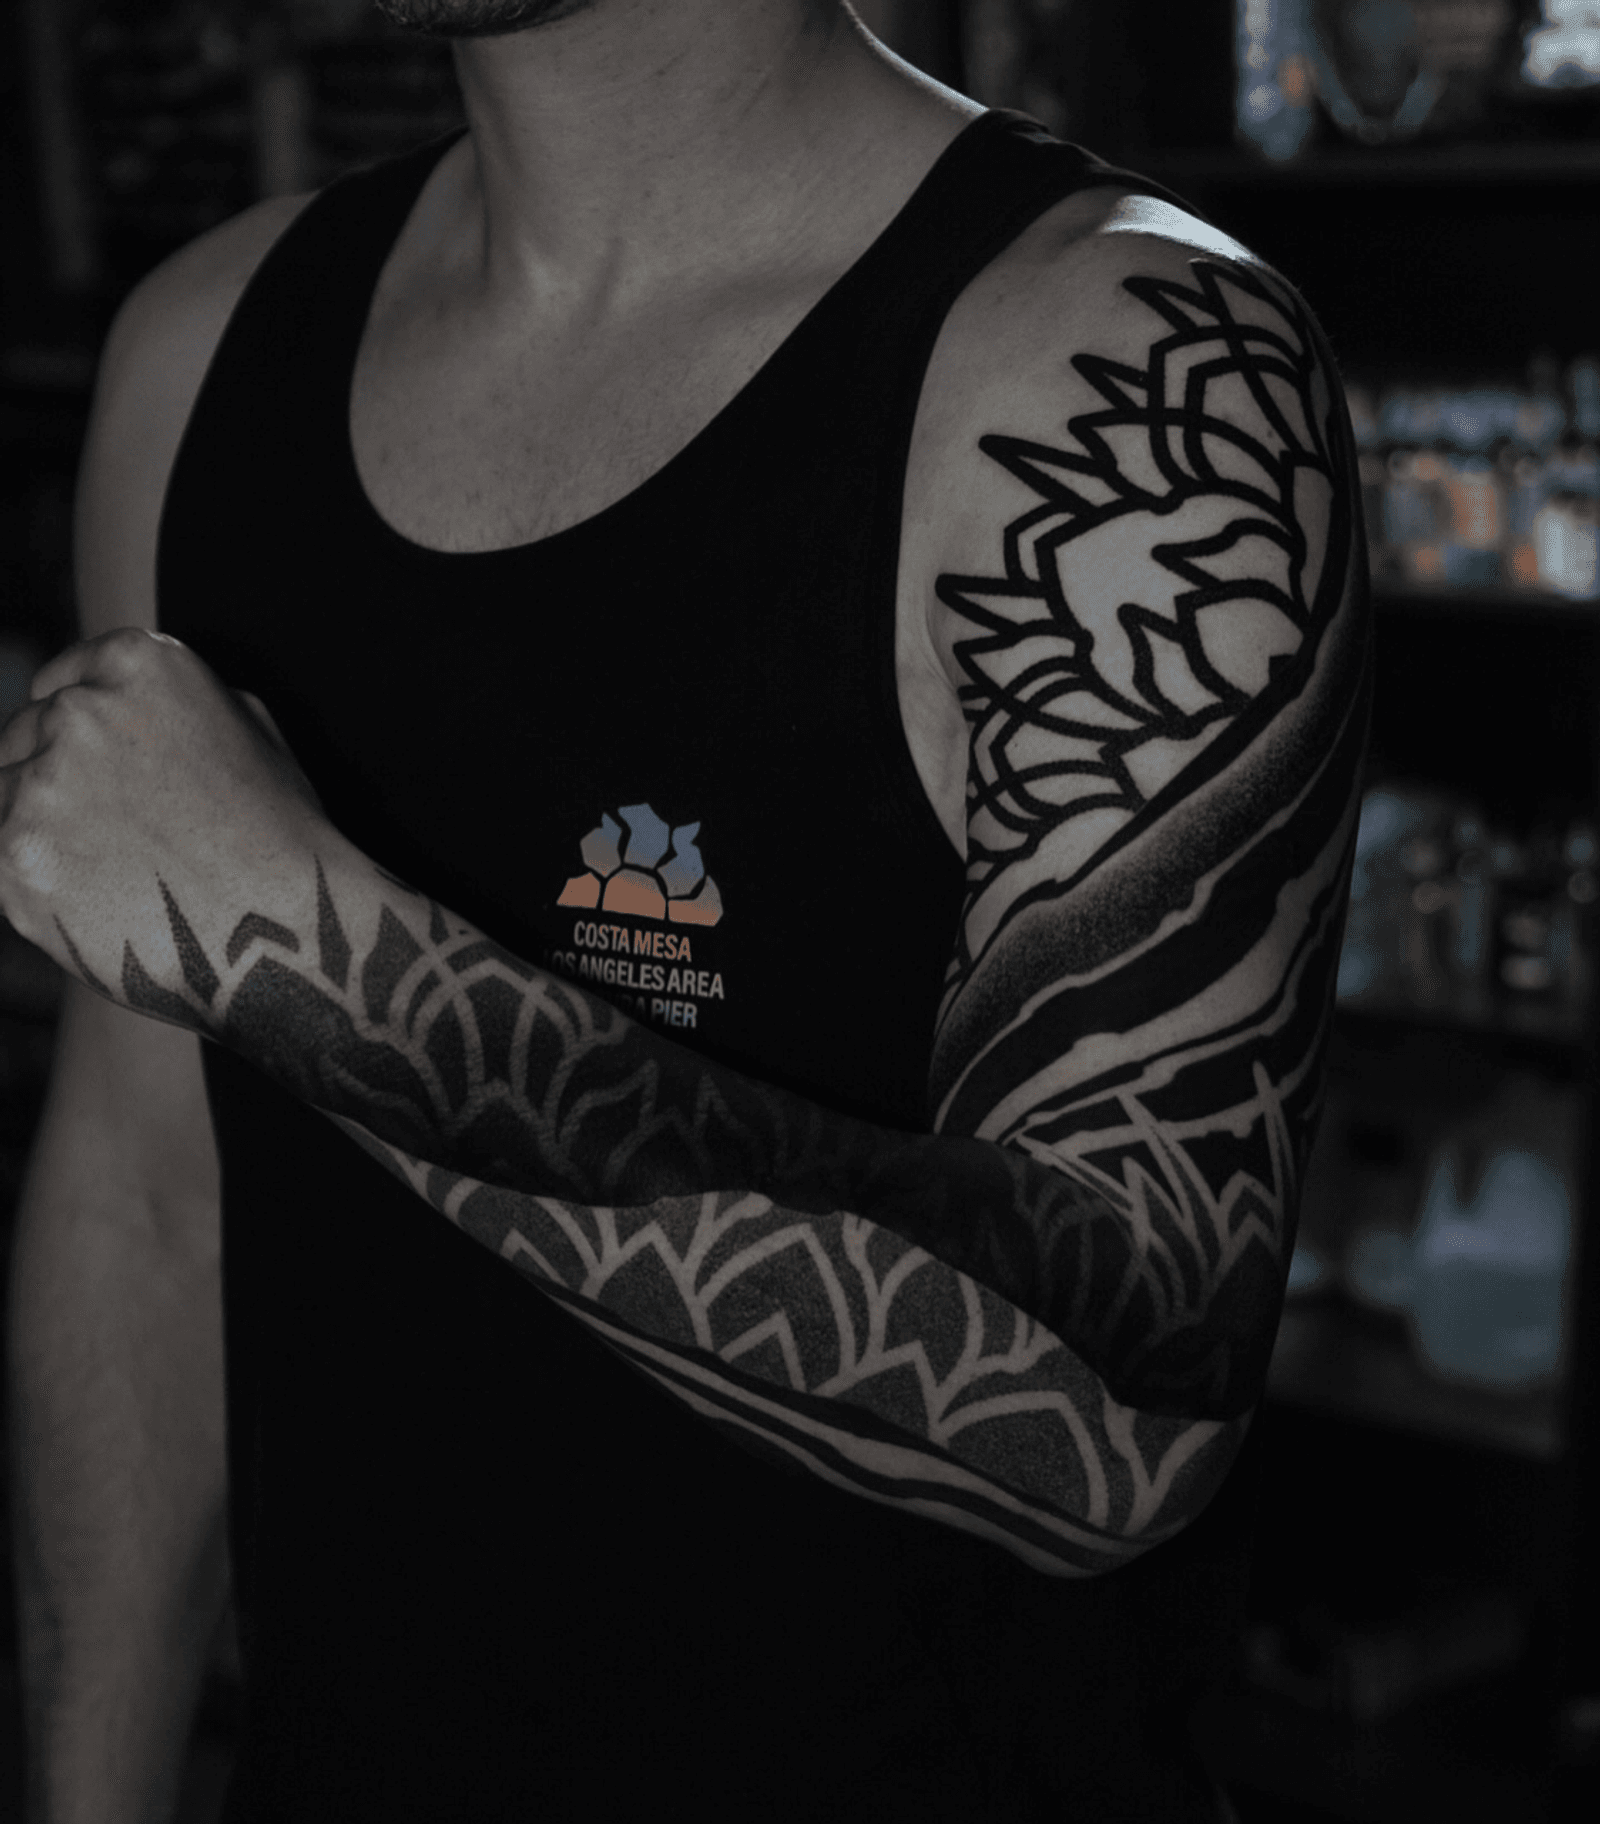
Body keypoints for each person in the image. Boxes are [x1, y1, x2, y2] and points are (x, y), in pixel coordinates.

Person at [1, 2, 1370, 1818]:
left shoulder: (1114, 374)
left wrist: (312, 957)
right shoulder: (203, 350)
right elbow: (150, 1200)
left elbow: (1131, 1414)